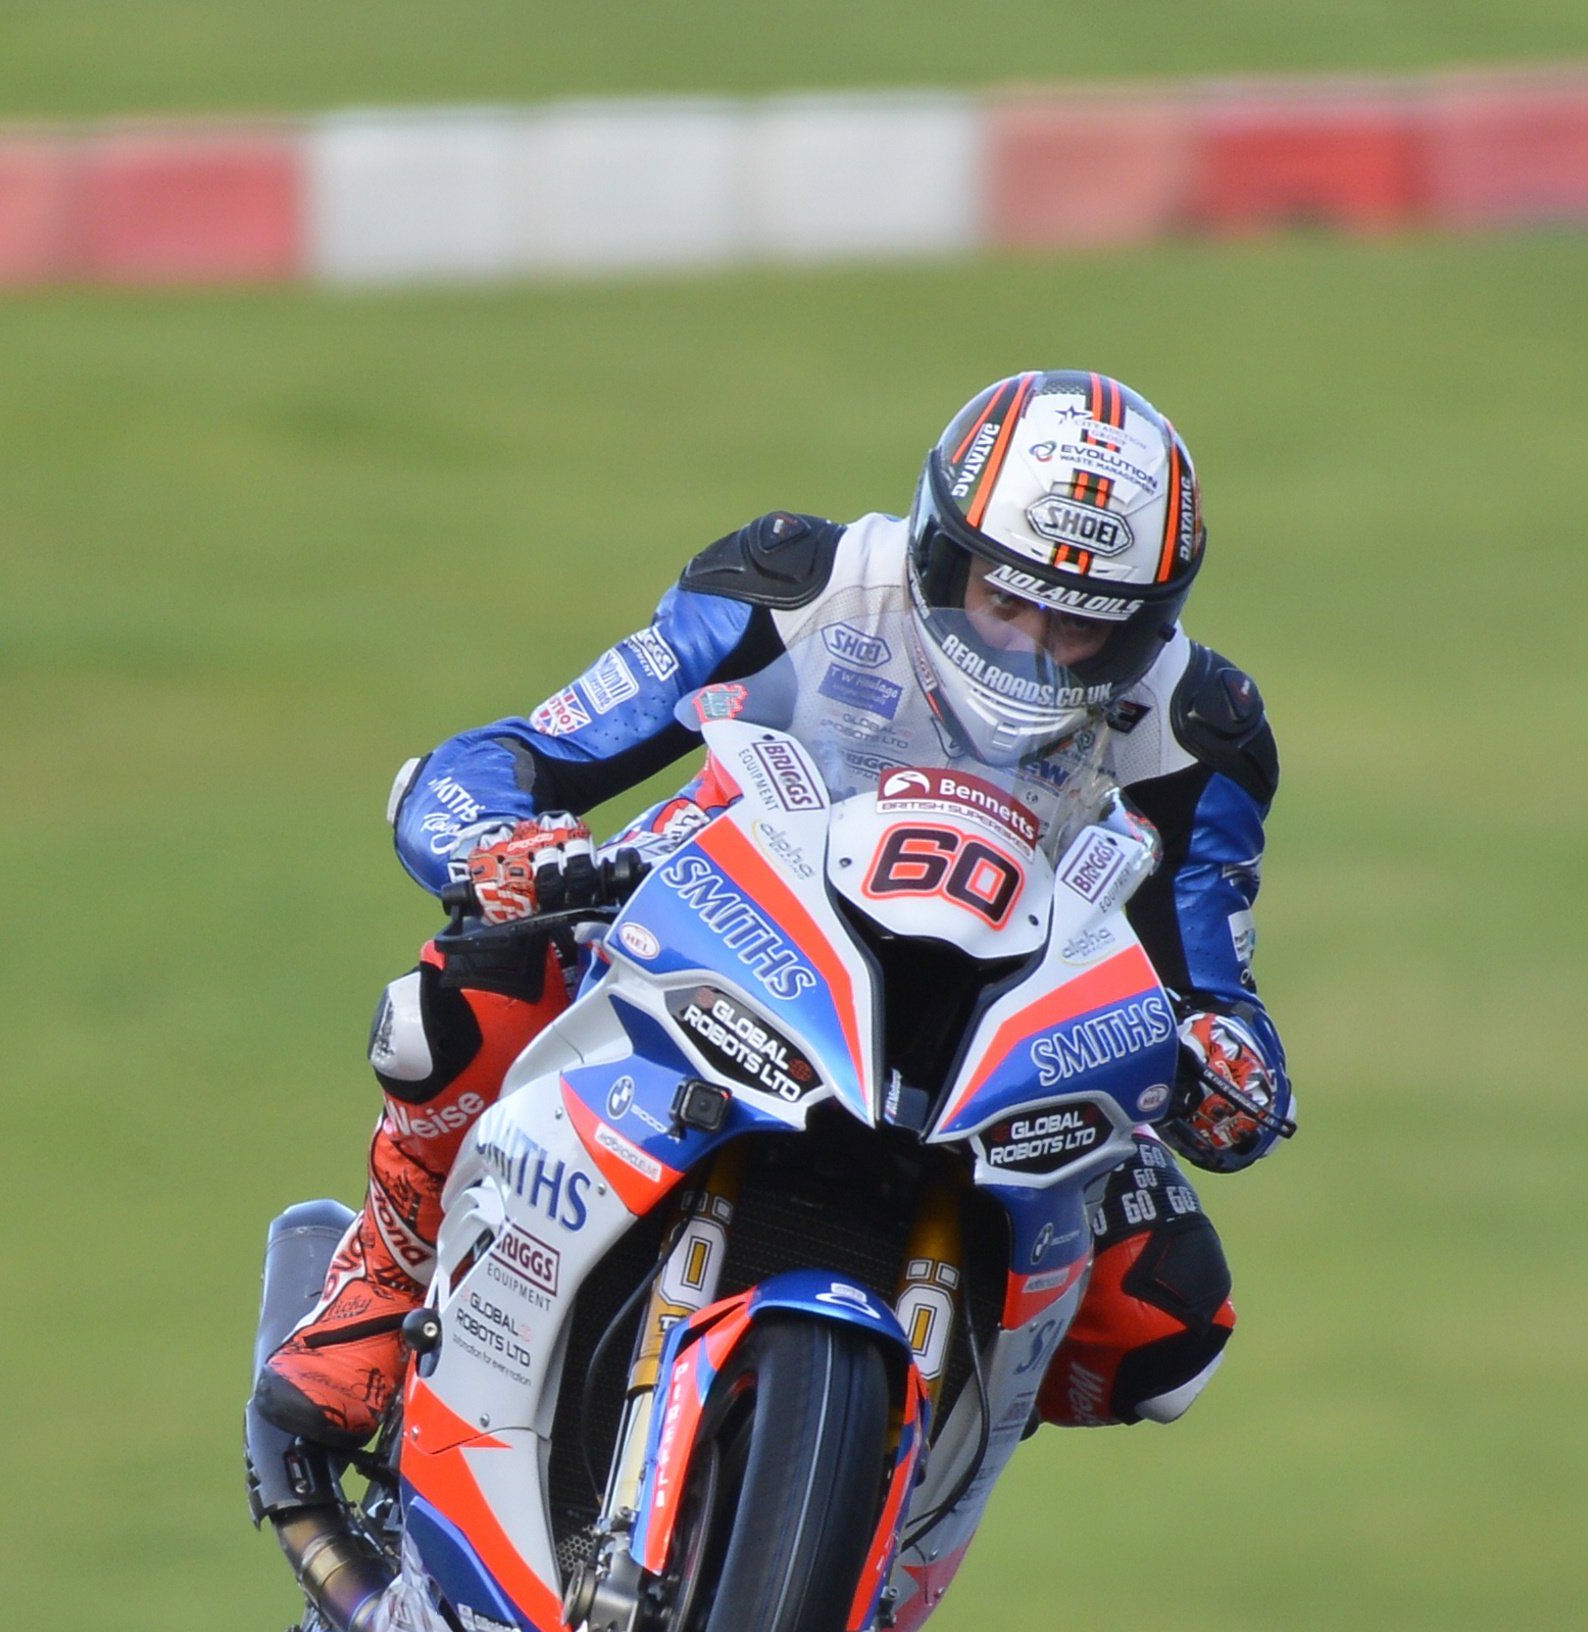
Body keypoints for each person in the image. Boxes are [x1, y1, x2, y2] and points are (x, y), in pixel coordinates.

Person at [254, 367, 1293, 1450]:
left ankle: (912, 1467)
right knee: (462, 1001)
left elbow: (1213, 987)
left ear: (1143, 630)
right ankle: (383, 1285)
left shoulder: (1198, 728)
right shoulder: (798, 581)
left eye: (1080, 630)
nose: (1029, 649)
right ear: (944, 552)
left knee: (1167, 1323)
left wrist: (1225, 1066)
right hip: (728, 937)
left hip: (1002, 1043)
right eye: (1007, 598)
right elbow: (511, 756)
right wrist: (499, 844)